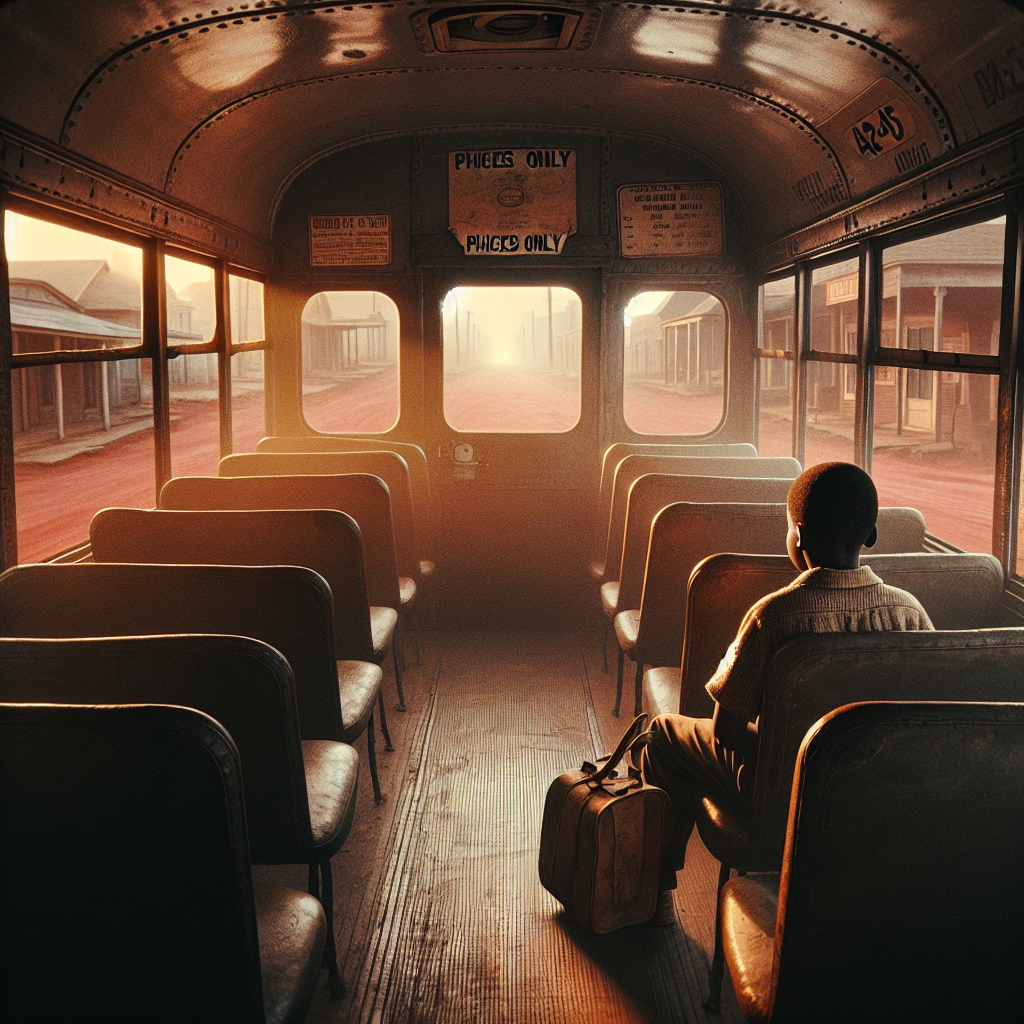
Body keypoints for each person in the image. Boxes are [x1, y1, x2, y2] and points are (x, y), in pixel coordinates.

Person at [640, 462, 934, 924]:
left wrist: (795, 761)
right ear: (871, 534)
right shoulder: (910, 613)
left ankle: (655, 891)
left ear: (797, 535)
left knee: (661, 734)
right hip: (873, 806)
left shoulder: (772, 616)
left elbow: (727, 728)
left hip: (779, 807)